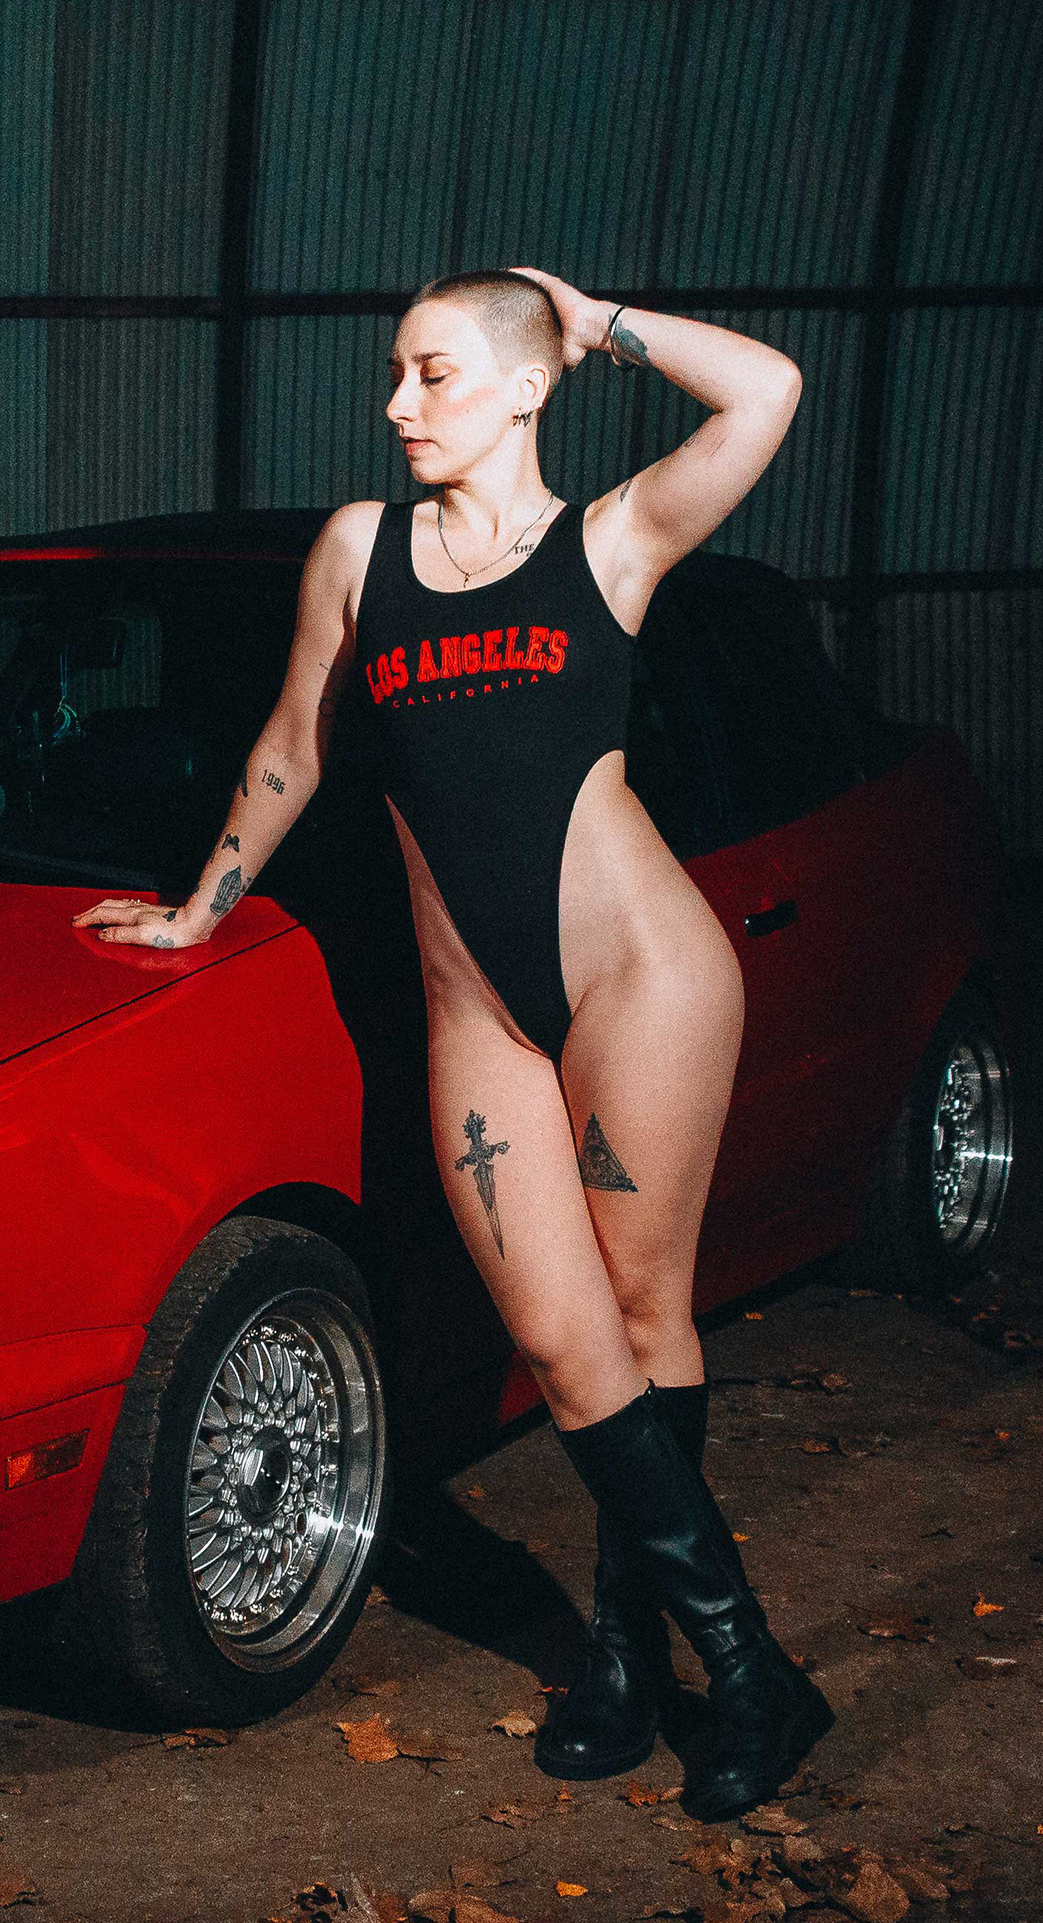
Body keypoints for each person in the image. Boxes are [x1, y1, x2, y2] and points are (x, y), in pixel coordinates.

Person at [72, 267, 820, 1822]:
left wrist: (595, 319)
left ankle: (673, 1664)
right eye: (398, 375)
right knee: (559, 1337)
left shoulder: (608, 544)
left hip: (640, 975)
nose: (397, 404)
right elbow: (296, 744)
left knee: (644, 1312)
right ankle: (737, 1664)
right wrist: (200, 908)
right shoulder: (363, 553)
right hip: (479, 1011)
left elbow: (769, 392)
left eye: (433, 373)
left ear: (525, 387)